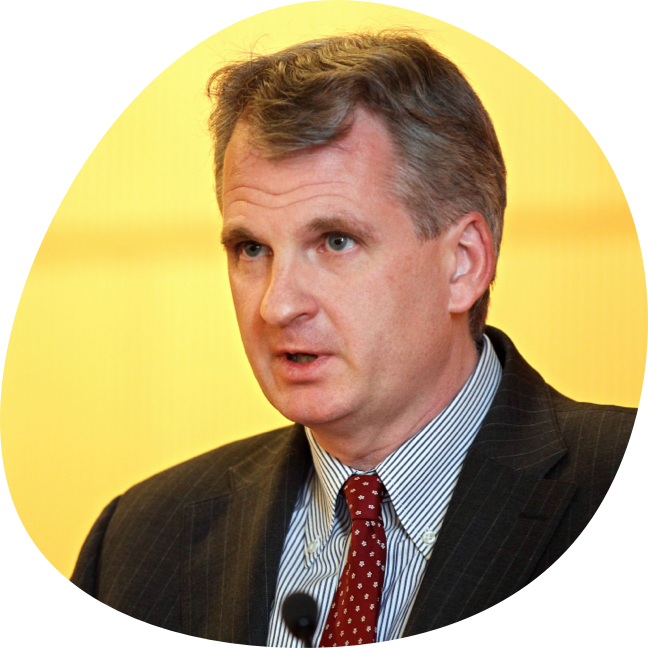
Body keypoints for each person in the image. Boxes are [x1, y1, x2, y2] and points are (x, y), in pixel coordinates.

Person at [69, 31, 635, 644]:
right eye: (251, 249)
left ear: (463, 264)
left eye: (335, 242)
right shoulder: (138, 542)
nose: (277, 305)